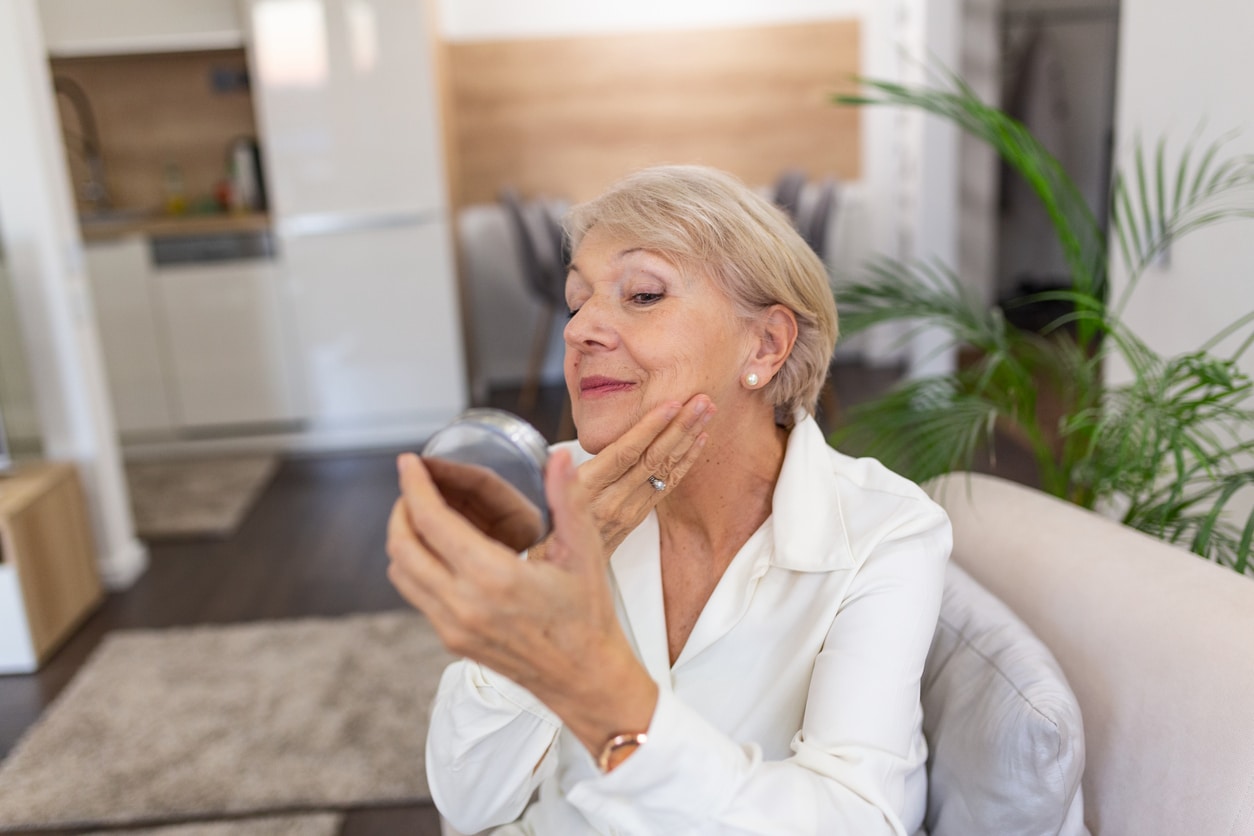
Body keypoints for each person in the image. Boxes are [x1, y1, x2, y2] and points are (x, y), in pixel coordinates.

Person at [386, 165, 951, 835]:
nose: (579, 330)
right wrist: (543, 584)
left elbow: (857, 818)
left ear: (766, 345)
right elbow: (468, 799)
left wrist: (604, 693)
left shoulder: (884, 532)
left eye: (644, 294)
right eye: (577, 301)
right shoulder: (557, 492)